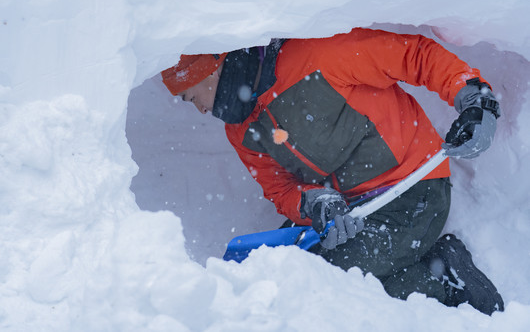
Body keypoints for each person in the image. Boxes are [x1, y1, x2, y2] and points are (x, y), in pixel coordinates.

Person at [161, 27, 505, 315]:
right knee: (284, 269)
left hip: (412, 192)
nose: (200, 110)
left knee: (327, 280)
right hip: (348, 213)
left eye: (190, 97)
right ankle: (418, 262)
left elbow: (413, 55)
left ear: (212, 68)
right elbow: (280, 190)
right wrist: (314, 202)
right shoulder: (240, 130)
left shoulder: (314, 57)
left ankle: (444, 280)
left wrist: (472, 96)